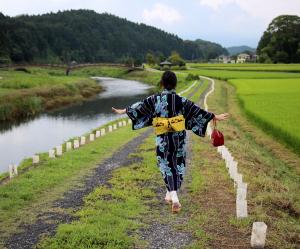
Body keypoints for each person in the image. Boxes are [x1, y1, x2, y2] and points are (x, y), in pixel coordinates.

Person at [112, 71, 228, 213]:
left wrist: (124, 111)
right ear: (175, 84)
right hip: (179, 138)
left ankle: (174, 197)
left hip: (163, 139)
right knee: (178, 164)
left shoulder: (155, 99)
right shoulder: (181, 100)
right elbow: (197, 111)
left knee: (165, 165)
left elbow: (140, 107)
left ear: (162, 83)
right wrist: (214, 116)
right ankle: (169, 195)